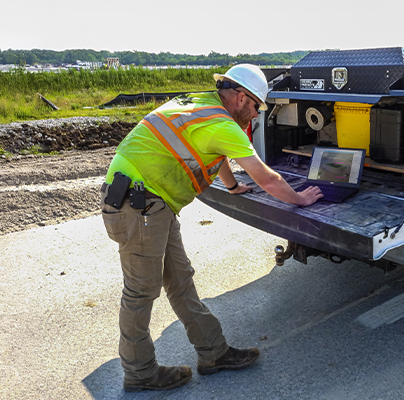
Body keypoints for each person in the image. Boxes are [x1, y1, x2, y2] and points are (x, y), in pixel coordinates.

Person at [99, 64, 322, 392]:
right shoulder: (222, 123)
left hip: (150, 203)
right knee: (141, 291)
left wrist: (231, 187)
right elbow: (265, 177)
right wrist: (300, 200)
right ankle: (139, 372)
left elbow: (213, 155)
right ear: (242, 98)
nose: (257, 114)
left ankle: (214, 353)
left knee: (180, 282)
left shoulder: (198, 103)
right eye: (257, 106)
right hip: (138, 204)